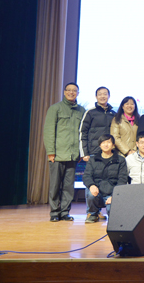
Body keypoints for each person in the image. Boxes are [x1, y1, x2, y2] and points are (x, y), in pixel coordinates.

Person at [43, 82, 85, 222]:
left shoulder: (81, 110)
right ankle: (54, 212)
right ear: (64, 92)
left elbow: (82, 133)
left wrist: (80, 152)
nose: (71, 92)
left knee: (68, 186)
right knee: (55, 185)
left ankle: (65, 212)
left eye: (74, 91)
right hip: (58, 154)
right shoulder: (55, 108)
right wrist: (51, 152)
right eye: (69, 90)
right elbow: (49, 131)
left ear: (77, 93)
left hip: (73, 155)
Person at [83, 134, 128, 223]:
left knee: (113, 215)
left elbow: (122, 180)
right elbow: (86, 176)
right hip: (97, 192)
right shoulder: (93, 159)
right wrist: (92, 185)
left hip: (111, 193)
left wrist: (114, 195)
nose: (106, 145)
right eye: (103, 142)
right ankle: (93, 214)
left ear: (113, 145)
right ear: (100, 145)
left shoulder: (120, 160)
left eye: (108, 142)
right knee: (90, 193)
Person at [79, 86, 115, 161]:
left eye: (105, 94)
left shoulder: (113, 114)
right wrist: (84, 153)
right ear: (96, 97)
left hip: (110, 152)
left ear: (109, 96)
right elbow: (83, 133)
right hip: (93, 152)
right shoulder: (90, 113)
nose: (102, 96)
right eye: (100, 94)